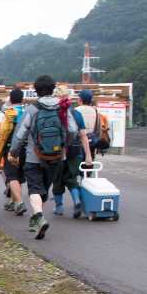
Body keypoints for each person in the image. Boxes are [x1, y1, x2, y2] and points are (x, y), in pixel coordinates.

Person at [8, 75, 79, 239]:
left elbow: (20, 135)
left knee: (34, 189)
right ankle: (38, 219)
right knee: (44, 191)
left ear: (36, 90)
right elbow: (73, 130)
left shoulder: (32, 109)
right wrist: (63, 146)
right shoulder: (63, 108)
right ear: (53, 89)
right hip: (56, 157)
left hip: (34, 156)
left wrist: (13, 153)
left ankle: (39, 217)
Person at [50, 85, 93, 218]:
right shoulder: (77, 114)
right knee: (72, 178)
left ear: (56, 97)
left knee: (57, 179)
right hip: (75, 151)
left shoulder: (52, 113)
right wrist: (88, 156)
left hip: (57, 151)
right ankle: (77, 200)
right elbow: (83, 136)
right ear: (68, 97)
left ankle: (59, 207)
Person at [0, 87, 26, 214]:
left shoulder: (8, 113)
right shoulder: (27, 112)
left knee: (12, 176)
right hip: (25, 148)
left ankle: (19, 202)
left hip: (11, 147)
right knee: (19, 176)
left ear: (11, 99)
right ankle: (13, 201)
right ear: (22, 99)